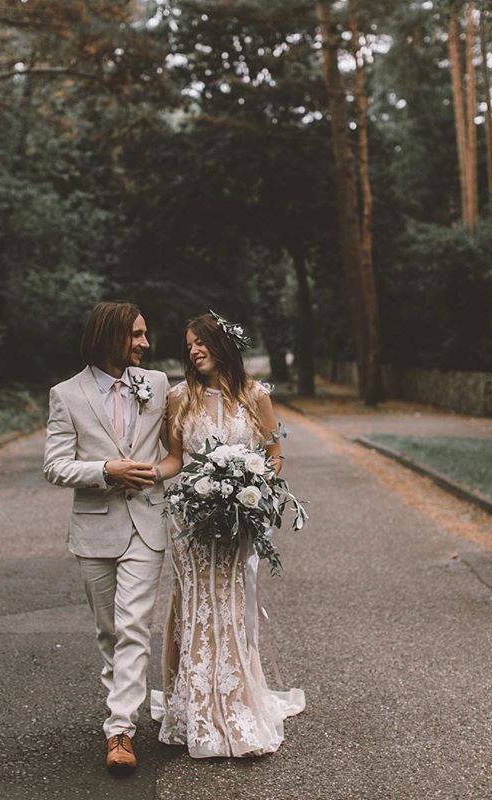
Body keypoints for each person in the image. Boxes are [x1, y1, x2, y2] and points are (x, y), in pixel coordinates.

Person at [150, 311, 305, 758]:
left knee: (232, 602)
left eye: (201, 342)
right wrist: (148, 475)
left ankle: (235, 702)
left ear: (223, 345)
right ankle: (195, 705)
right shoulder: (180, 398)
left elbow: (274, 453)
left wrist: (256, 488)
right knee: (196, 601)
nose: (194, 350)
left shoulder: (256, 396)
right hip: (189, 518)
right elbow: (176, 459)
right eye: (189, 345)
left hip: (238, 516)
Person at [43, 301, 170, 772]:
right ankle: (124, 704)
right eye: (136, 335)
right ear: (110, 337)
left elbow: (183, 435)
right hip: (95, 526)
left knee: (134, 625)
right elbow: (54, 465)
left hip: (146, 524)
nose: (145, 343)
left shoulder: (155, 384)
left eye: (145, 334)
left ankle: (120, 731)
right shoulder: (66, 394)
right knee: (109, 631)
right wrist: (104, 470)